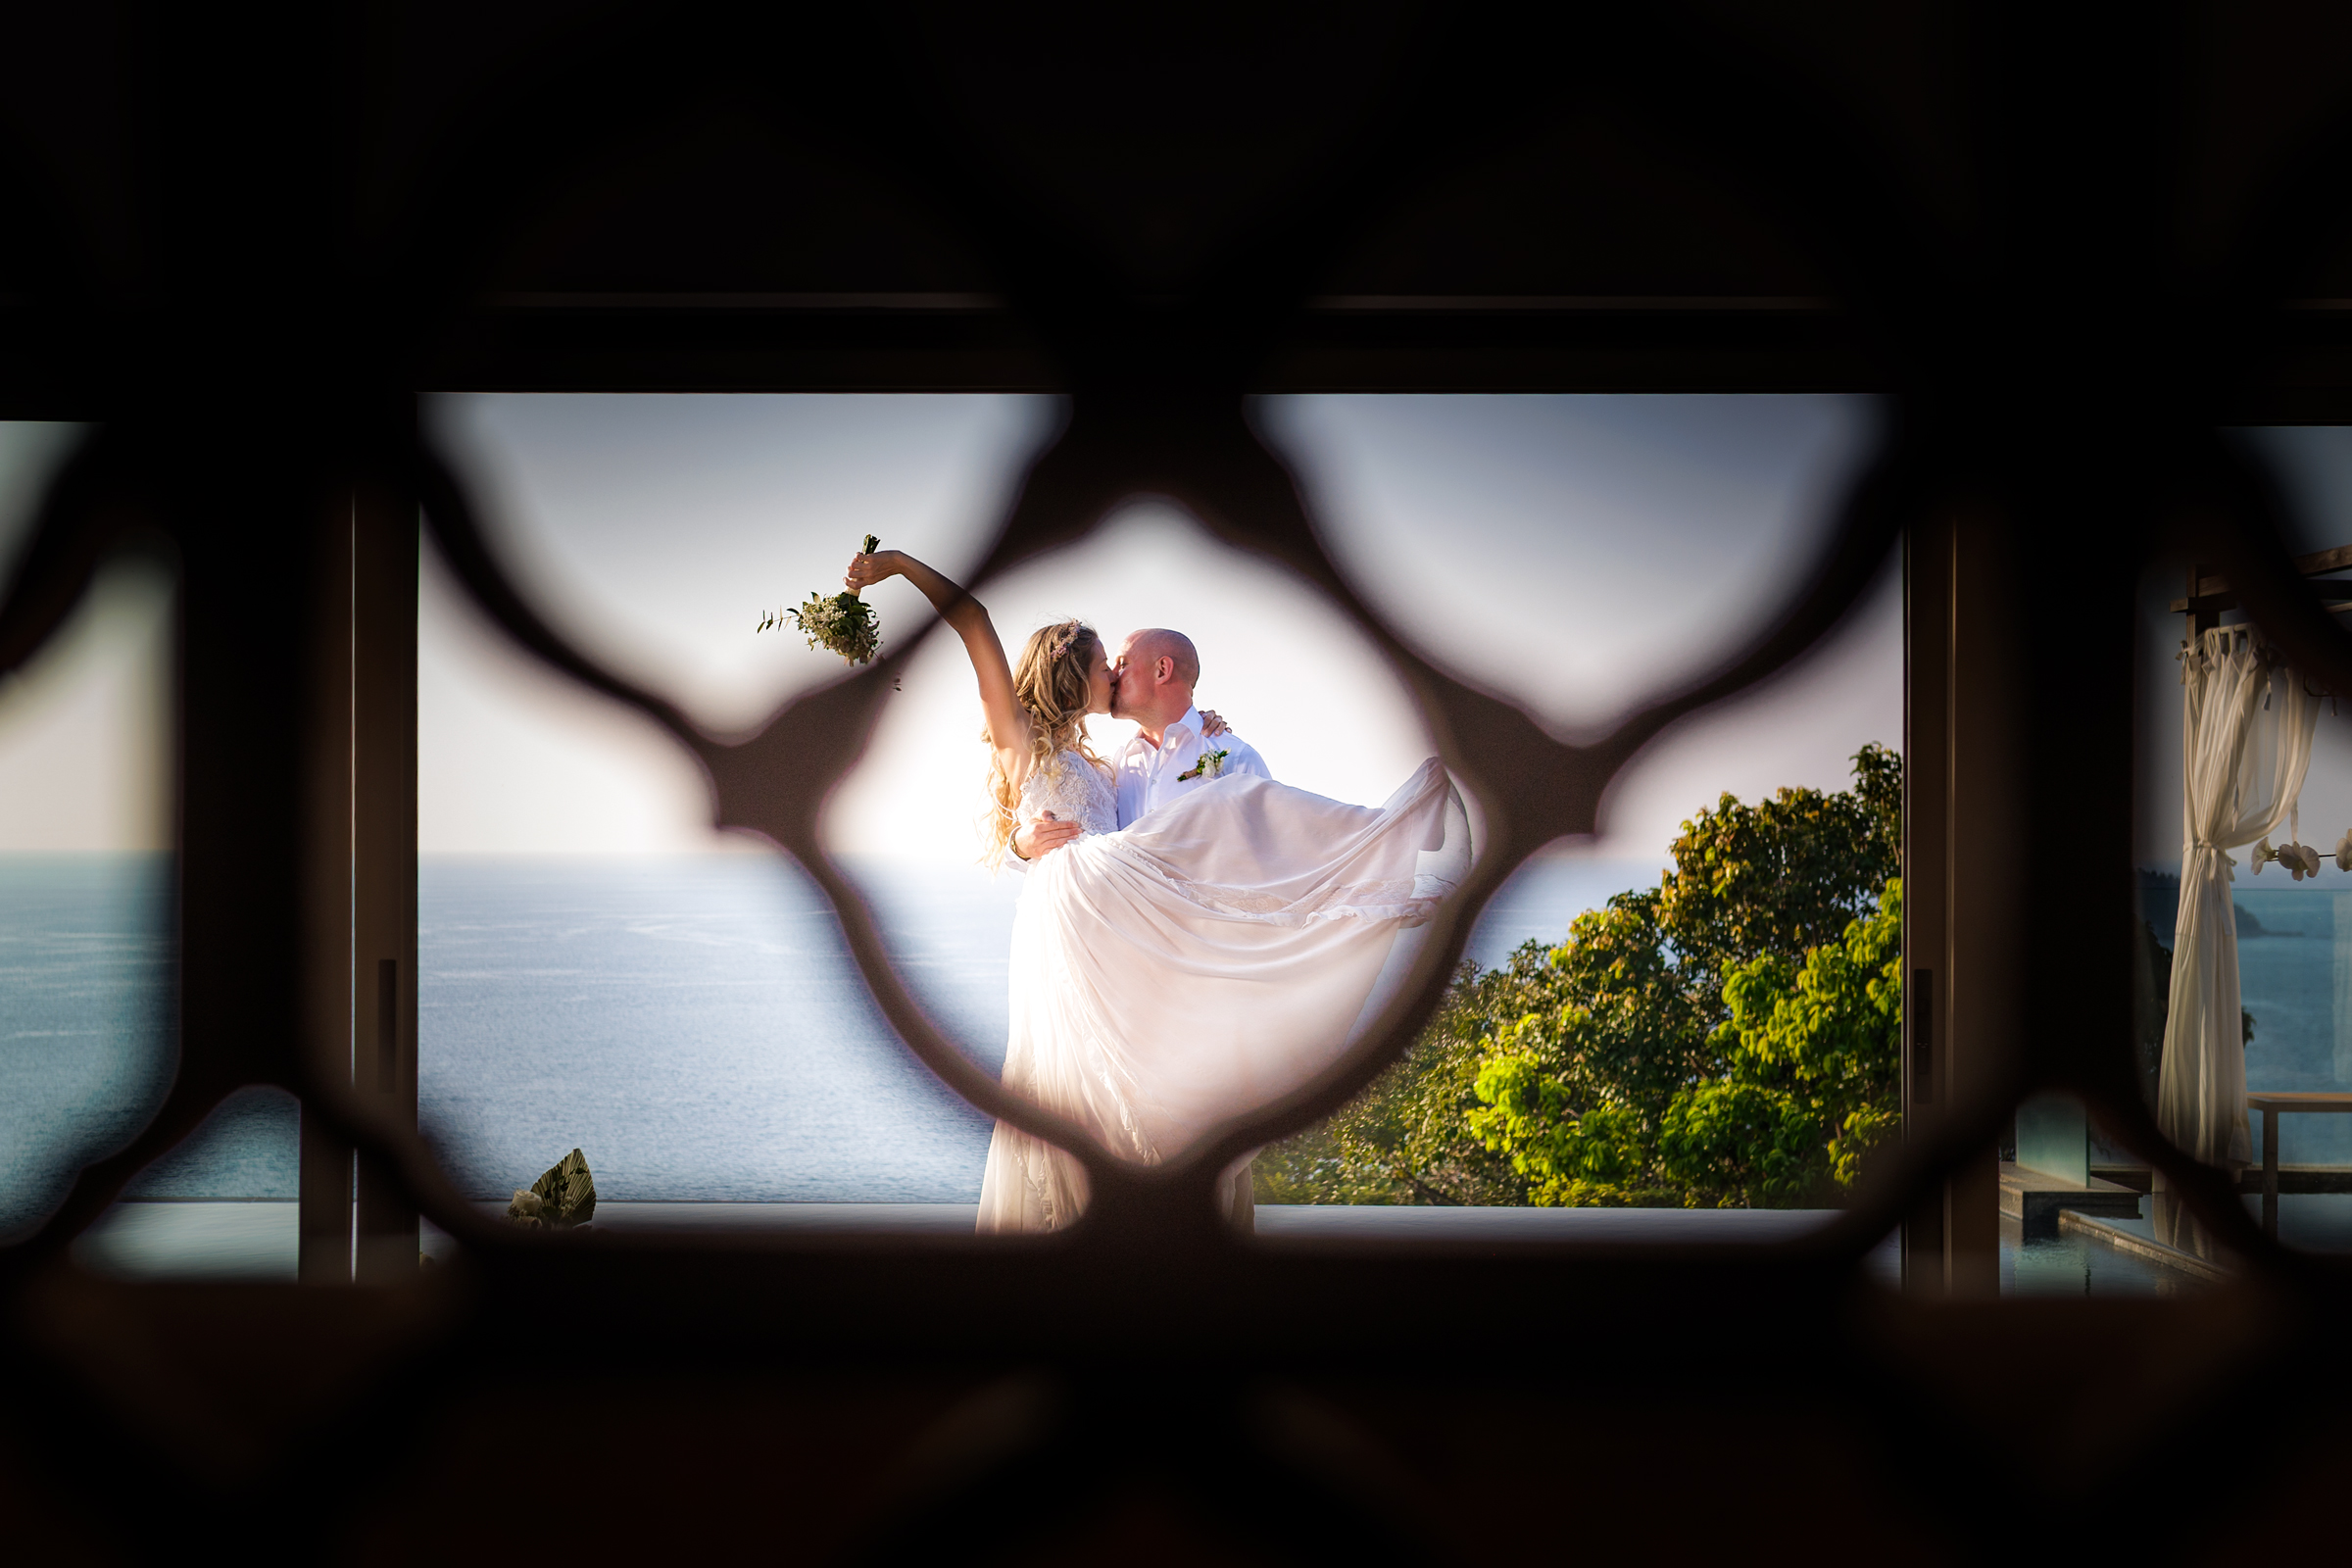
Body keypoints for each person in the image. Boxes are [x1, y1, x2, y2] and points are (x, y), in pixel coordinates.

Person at [843, 547, 1468, 1235]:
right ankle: (1378, 853)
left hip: (1130, 918)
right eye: (1103, 663)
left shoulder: (1108, 762)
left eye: (1121, 662)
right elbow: (974, 622)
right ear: (1070, 672)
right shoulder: (1023, 741)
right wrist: (899, 564)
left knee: (1226, 815)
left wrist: (1207, 741)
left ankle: (1368, 872)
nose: (1112, 673)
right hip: (1082, 911)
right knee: (1074, 1075)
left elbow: (1165, 834)